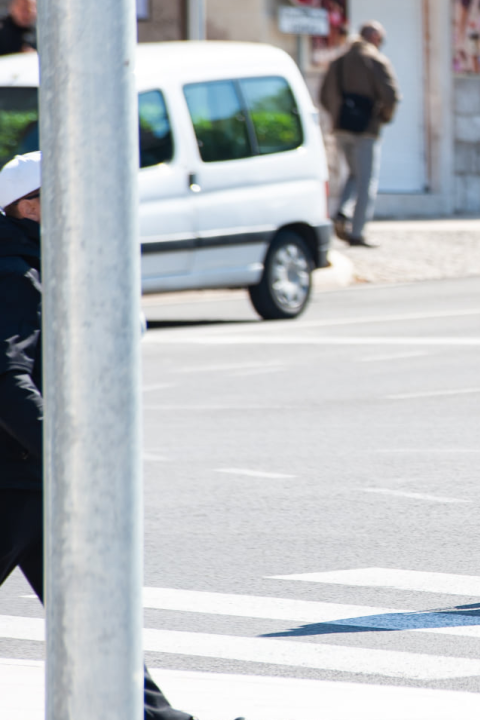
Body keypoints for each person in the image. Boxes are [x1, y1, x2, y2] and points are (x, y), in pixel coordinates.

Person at [0, 154, 239, 720]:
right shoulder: (14, 273)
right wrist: (67, 454)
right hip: (17, 478)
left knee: (95, 614)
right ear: (29, 207)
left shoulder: (37, 266)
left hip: (34, 478)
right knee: (92, 610)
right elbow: (7, 376)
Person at [320, 20, 400, 249]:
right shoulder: (375, 60)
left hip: (342, 126)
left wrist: (338, 114)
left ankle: (342, 212)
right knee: (366, 181)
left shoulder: (338, 61)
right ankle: (357, 232)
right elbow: (391, 95)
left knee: (354, 174)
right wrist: (381, 118)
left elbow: (325, 95)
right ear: (374, 38)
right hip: (366, 129)